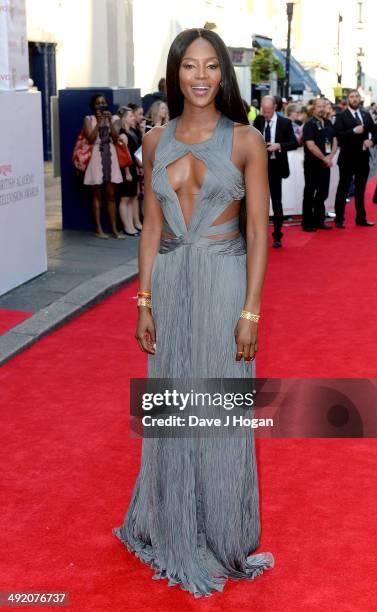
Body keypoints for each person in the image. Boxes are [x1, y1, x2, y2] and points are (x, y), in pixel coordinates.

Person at [113, 27, 274, 597]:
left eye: (211, 66)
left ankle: (223, 532)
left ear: (222, 75)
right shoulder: (155, 141)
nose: (201, 76)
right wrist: (144, 301)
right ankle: (169, 521)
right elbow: (151, 230)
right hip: (173, 281)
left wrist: (251, 311)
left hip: (225, 281)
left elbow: (258, 230)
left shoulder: (246, 141)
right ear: (175, 73)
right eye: (190, 65)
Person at [254, 95, 298, 248]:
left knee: (277, 201)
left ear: (274, 108)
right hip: (259, 167)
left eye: (267, 111)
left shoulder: (285, 123)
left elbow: (294, 143)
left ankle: (277, 235)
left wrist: (278, 145)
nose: (265, 114)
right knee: (258, 203)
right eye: (263, 111)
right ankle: (258, 236)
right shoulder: (258, 120)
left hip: (276, 166)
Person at [83, 94, 126, 239]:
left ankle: (114, 230)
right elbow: (90, 138)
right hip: (96, 155)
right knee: (97, 194)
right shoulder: (89, 119)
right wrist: (99, 122)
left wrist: (108, 121)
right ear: (93, 106)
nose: (100, 105)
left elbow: (115, 137)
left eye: (103, 103)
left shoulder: (114, 118)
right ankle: (98, 229)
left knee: (111, 195)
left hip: (111, 155)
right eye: (97, 103)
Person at [334, 89, 377, 228]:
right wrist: (353, 131)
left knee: (360, 190)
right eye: (352, 97)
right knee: (343, 188)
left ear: (360, 99)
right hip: (347, 158)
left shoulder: (365, 115)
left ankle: (361, 218)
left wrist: (372, 141)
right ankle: (339, 219)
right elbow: (338, 136)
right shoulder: (341, 116)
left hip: (363, 158)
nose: (354, 99)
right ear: (348, 99)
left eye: (356, 96)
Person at [302, 97, 338, 231]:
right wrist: (325, 158)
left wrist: (331, 156)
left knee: (323, 193)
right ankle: (307, 223)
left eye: (324, 106)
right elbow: (310, 146)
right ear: (313, 108)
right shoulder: (309, 124)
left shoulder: (328, 123)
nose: (322, 109)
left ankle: (319, 220)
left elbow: (334, 140)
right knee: (310, 193)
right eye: (319, 106)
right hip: (312, 165)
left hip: (325, 164)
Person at [116, 106, 143, 235]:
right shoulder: (123, 135)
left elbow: (135, 153)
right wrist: (127, 172)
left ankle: (132, 225)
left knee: (132, 197)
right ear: (125, 119)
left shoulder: (132, 132)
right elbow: (123, 155)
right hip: (127, 169)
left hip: (134, 168)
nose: (133, 118)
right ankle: (127, 226)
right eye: (131, 116)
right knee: (125, 198)